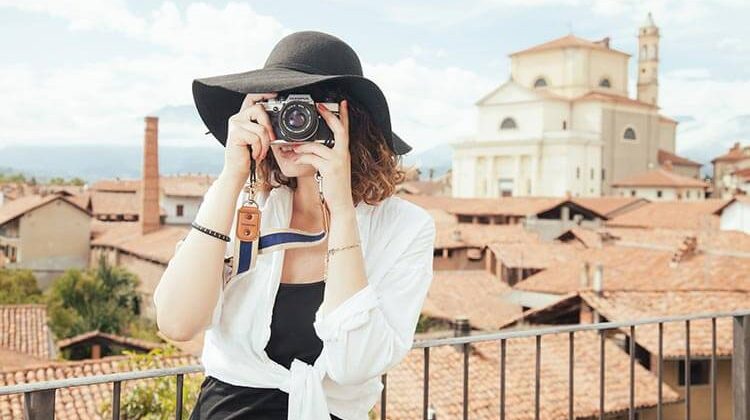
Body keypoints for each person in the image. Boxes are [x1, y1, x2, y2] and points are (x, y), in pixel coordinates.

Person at [153, 31, 436, 420]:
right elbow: (176, 322)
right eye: (276, 110)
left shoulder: (405, 228)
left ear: (350, 122)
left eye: (305, 112)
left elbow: (354, 365)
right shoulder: (244, 206)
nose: (289, 127)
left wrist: (341, 208)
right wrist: (233, 174)